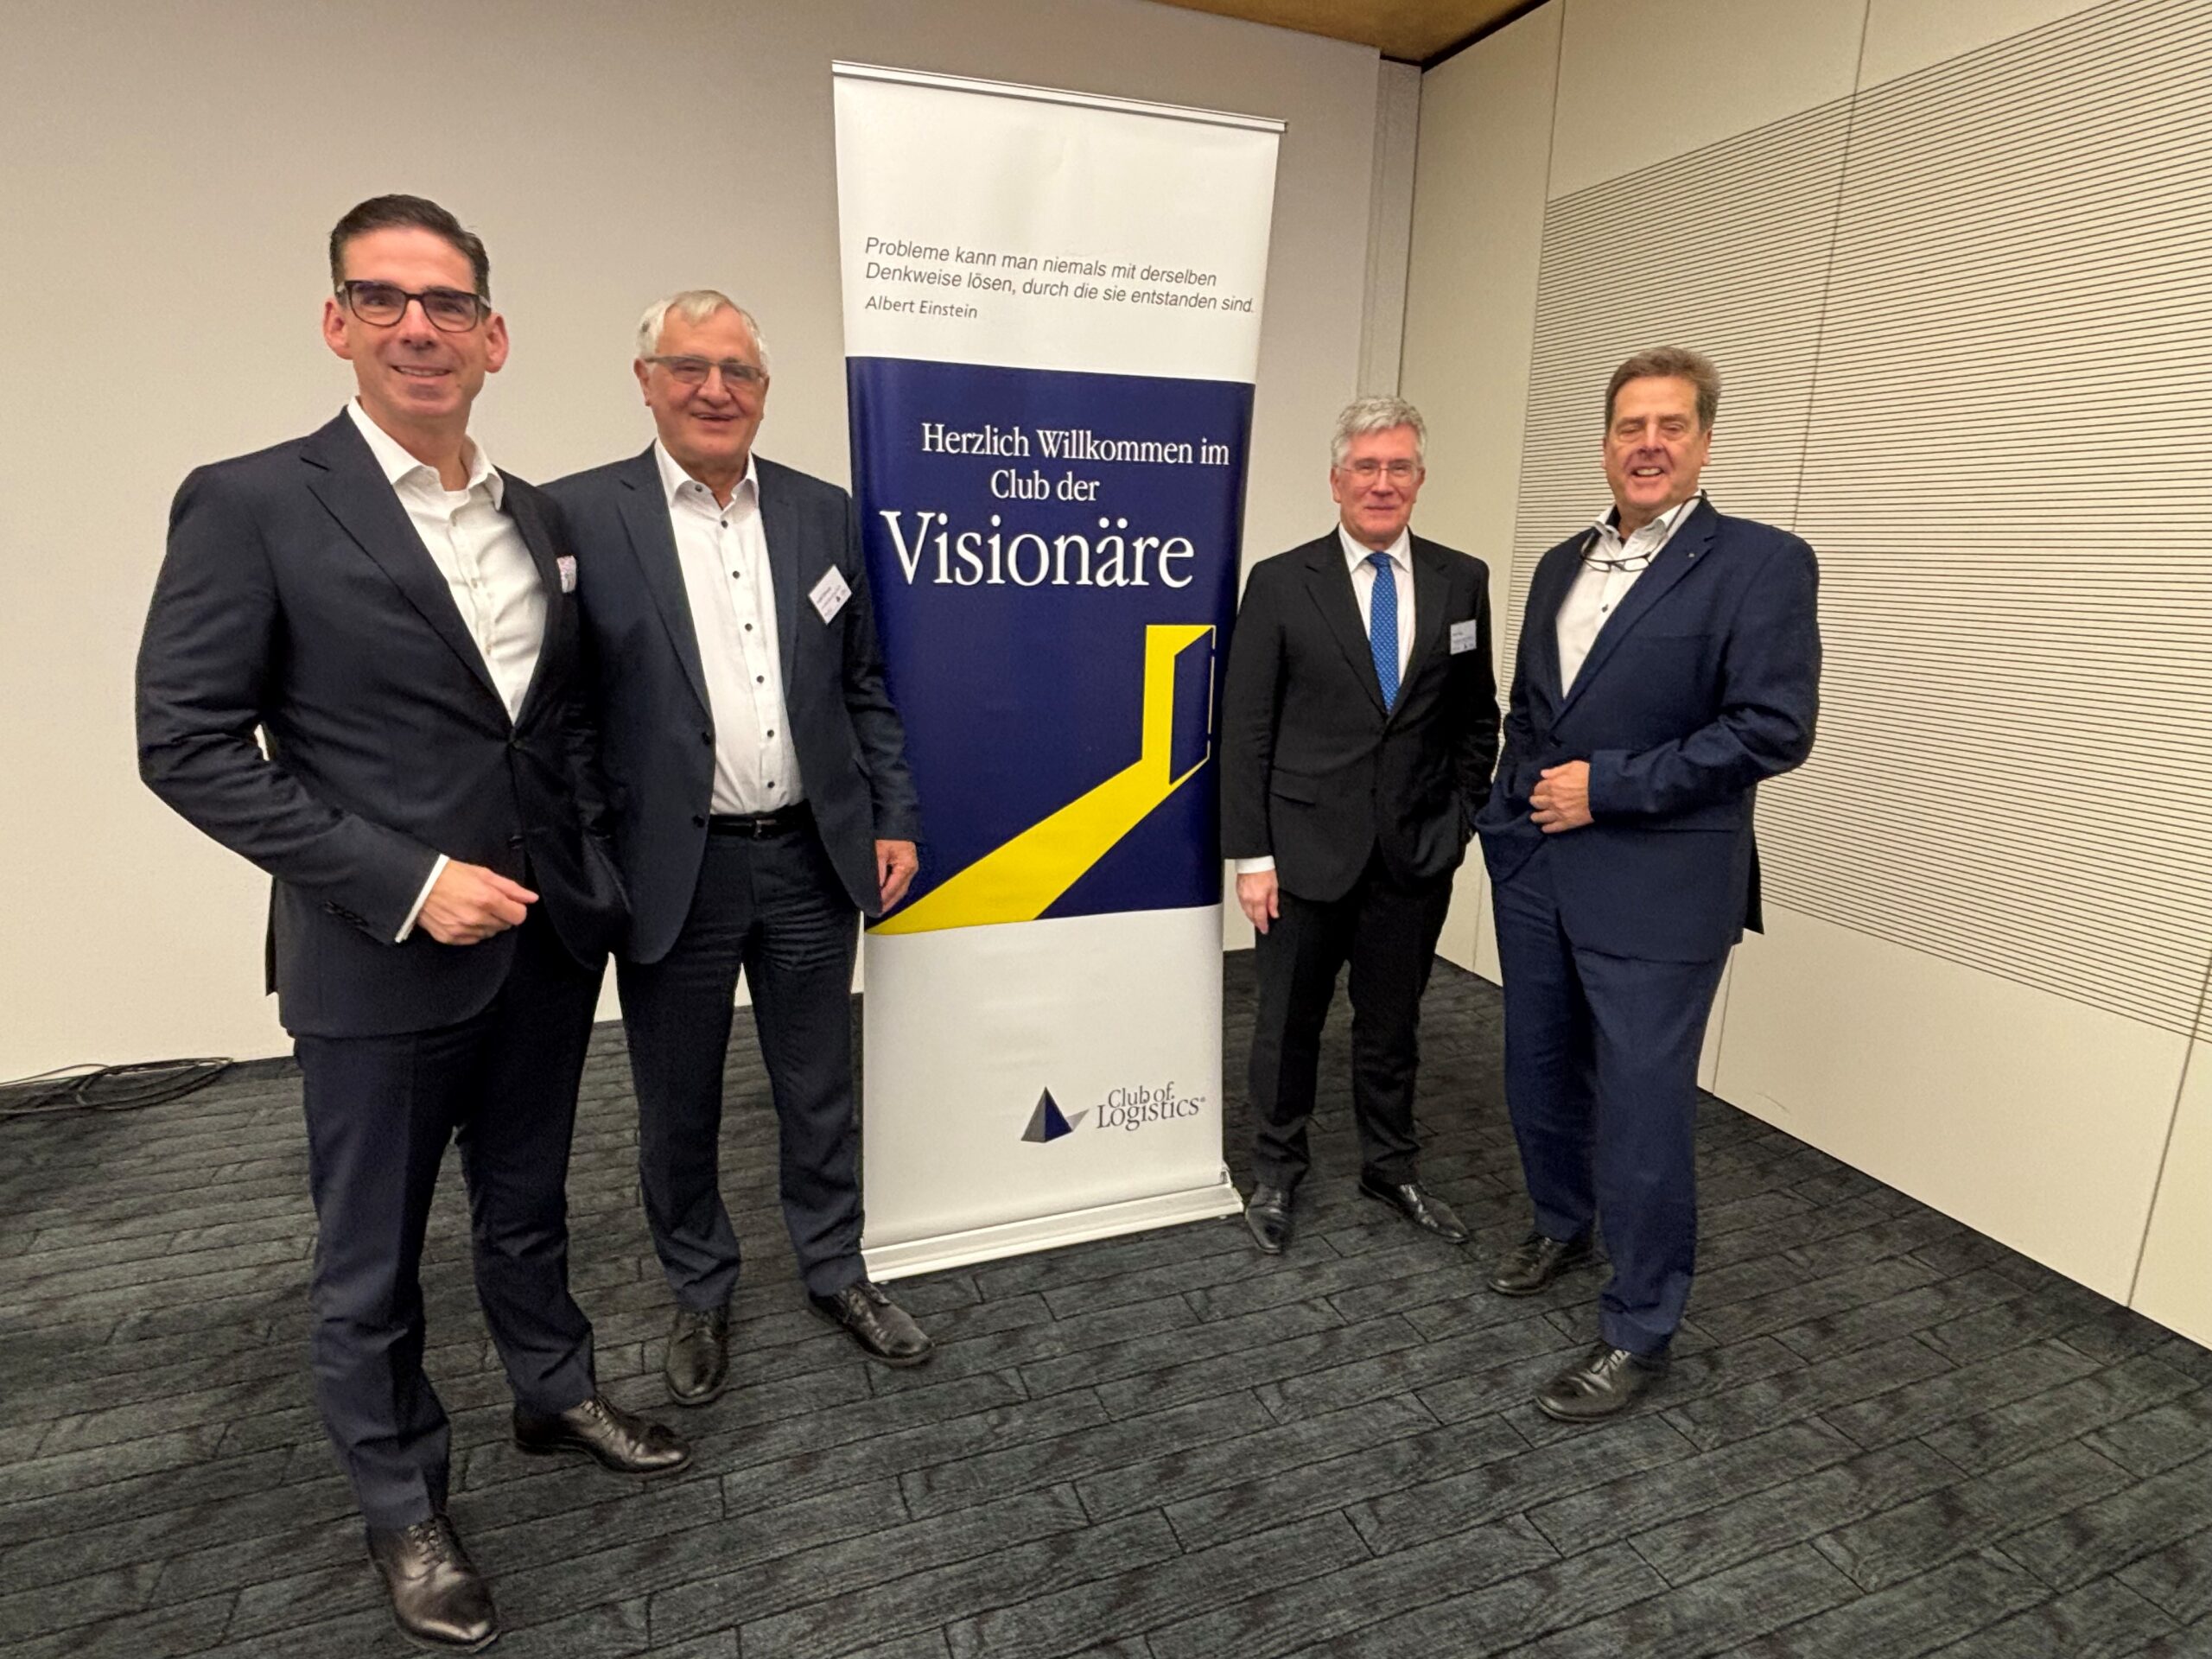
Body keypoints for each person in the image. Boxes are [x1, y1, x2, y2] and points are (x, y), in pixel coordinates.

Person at [136, 195, 690, 1654]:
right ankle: (403, 1504)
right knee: (371, 1259)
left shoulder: (539, 519)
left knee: (528, 1200)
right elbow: (186, 746)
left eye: (447, 304)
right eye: (383, 299)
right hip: (374, 959)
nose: (417, 327)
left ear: (494, 338)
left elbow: (554, 723)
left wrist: (588, 872)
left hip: (541, 943)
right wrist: (404, 880)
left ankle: (553, 1389)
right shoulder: (253, 503)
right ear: (338, 323)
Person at [548, 290, 927, 1404]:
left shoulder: (822, 512)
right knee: (679, 1099)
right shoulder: (579, 515)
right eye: (690, 367)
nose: (715, 390)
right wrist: (591, 858)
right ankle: (700, 1286)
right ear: (647, 381)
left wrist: (893, 813)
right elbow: (565, 716)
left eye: (740, 372)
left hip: (811, 856)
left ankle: (834, 1268)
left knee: (818, 1086)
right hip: (677, 870)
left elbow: (863, 683)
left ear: (763, 390)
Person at [1477, 346, 1821, 1421]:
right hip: (1539, 867)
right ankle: (1560, 1223)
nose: (1649, 444)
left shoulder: (1761, 563)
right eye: (1631, 426)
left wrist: (1609, 788)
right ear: (1605, 444)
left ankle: (1638, 1327)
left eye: (1672, 426)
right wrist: (1506, 823)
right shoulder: (1560, 562)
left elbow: (1772, 727)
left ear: (1704, 443)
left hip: (1660, 884)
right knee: (1538, 1068)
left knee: (1640, 1108)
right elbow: (1533, 712)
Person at [1218, 396, 1499, 1255]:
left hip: (1414, 853)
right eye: (1366, 467)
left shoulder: (1462, 580)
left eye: (1399, 467)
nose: (1383, 483)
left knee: (1392, 1023)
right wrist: (1252, 855)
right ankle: (1277, 1170)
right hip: (1302, 853)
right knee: (1287, 1025)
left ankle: (1391, 1165)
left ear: (1420, 478)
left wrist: (1460, 817)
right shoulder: (1280, 581)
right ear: (1336, 481)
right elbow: (1246, 729)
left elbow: (1475, 715)